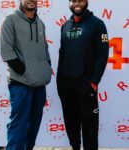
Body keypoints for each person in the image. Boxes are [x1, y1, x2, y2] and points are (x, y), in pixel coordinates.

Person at [56, 0, 109, 150]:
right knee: (71, 127)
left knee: (90, 130)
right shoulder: (65, 26)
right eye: (73, 0)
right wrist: (60, 83)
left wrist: (94, 82)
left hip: (86, 87)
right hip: (66, 88)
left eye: (80, 0)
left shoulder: (97, 24)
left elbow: (102, 54)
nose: (77, 3)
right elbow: (62, 54)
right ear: (69, 3)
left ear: (86, 2)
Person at [0, 0, 52, 149]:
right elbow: (7, 51)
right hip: (20, 83)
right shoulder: (10, 20)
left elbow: (45, 49)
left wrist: (46, 67)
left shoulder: (40, 23)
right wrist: (24, 71)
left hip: (39, 83)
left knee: (34, 125)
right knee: (19, 125)